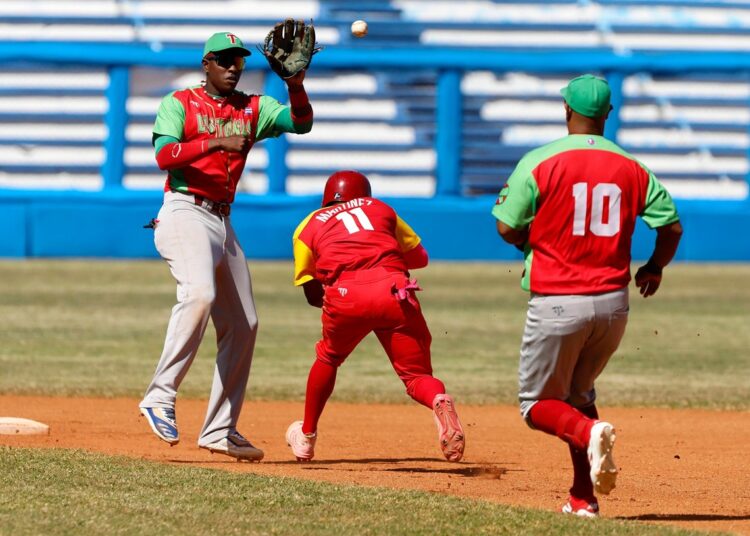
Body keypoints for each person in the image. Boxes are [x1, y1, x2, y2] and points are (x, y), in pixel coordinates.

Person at [492, 74, 683, 517]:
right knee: (579, 393)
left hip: (559, 299)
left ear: (566, 111)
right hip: (614, 305)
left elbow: (505, 226)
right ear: (607, 115)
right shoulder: (631, 165)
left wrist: (529, 241)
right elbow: (671, 226)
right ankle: (583, 498)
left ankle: (586, 433)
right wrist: (654, 267)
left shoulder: (541, 160)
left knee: (537, 405)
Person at [139, 26, 315, 461]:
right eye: (223, 59)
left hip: (222, 218)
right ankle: (159, 396)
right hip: (183, 209)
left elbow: (301, 123)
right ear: (206, 65)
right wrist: (216, 140)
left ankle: (220, 428)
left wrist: (295, 85)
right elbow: (164, 156)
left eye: (238, 60)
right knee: (200, 294)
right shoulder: (180, 103)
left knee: (244, 324)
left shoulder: (253, 107)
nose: (233, 67)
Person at [285, 170, 465, 463]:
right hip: (394, 289)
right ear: (365, 194)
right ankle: (438, 401)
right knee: (417, 376)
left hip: (346, 295)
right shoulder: (380, 208)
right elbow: (420, 257)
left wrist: (350, 302)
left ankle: (306, 438)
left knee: (329, 357)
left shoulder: (306, 225)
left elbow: (311, 293)